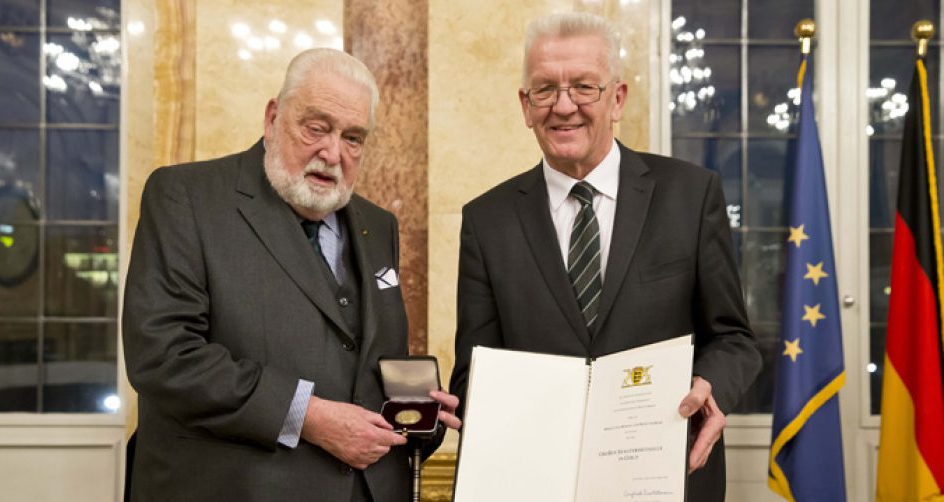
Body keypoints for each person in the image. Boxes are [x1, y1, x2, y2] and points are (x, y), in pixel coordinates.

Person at [123, 48, 460, 502]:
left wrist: (415, 415)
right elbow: (163, 355)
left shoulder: (378, 226)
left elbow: (359, 365)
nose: (332, 152)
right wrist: (309, 416)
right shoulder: (186, 197)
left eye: (353, 138)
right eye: (316, 127)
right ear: (272, 118)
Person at [449, 12, 761, 502]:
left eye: (584, 87)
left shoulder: (691, 195)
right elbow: (475, 372)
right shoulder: (487, 220)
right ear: (525, 106)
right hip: (537, 487)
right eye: (545, 89)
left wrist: (710, 386)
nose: (564, 105)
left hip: (666, 481)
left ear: (617, 99)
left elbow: (733, 339)